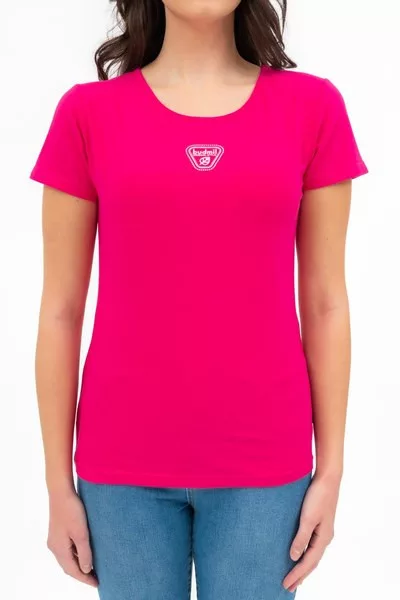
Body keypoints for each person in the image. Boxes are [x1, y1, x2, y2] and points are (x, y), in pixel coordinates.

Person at [30, 1, 368, 598]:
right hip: (120, 467)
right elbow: (60, 311)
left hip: (267, 466)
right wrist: (57, 485)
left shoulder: (312, 108)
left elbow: (326, 303)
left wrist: (332, 470)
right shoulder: (87, 114)